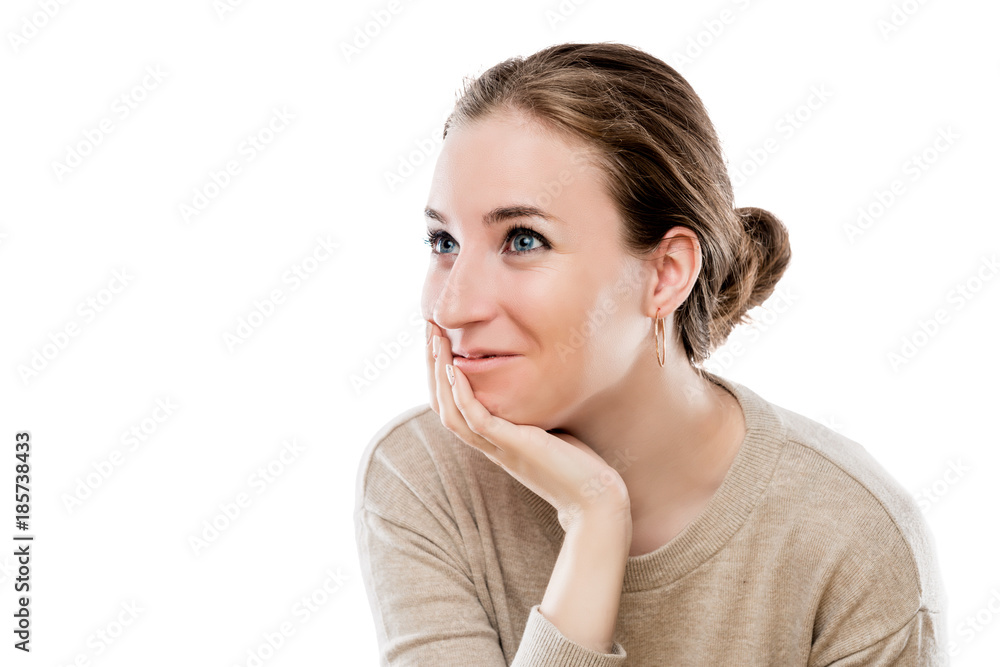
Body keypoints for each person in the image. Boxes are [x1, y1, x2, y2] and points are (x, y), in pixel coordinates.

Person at [354, 42, 949, 666]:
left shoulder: (850, 537)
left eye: (523, 240)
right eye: (443, 241)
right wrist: (593, 523)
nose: (452, 308)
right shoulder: (423, 477)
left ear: (665, 274)